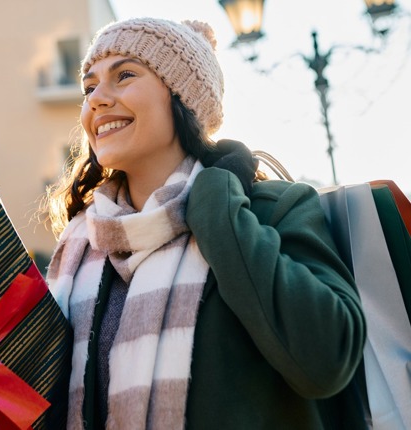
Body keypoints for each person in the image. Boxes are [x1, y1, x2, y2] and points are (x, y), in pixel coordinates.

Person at [44, 17, 367, 429]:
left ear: (183, 97)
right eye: (90, 87)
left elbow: (327, 360)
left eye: (124, 75)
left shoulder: (272, 210)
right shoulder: (81, 245)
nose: (96, 100)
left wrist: (217, 209)